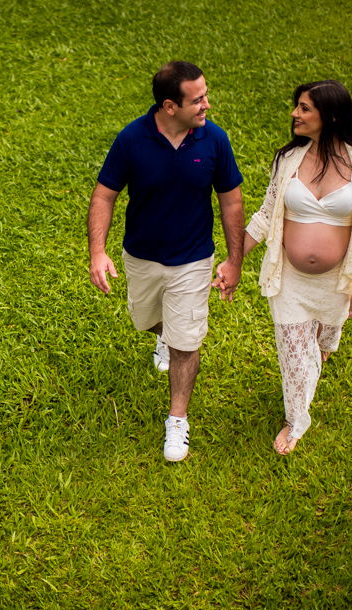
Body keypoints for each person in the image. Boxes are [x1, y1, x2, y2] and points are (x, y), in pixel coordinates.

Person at [88, 60, 245, 462]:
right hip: (141, 256)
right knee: (144, 319)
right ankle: (162, 333)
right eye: (198, 99)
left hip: (193, 259)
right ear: (170, 106)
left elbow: (232, 201)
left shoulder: (214, 141)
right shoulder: (132, 139)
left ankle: (177, 420)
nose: (207, 104)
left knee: (185, 342)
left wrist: (234, 259)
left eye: (205, 94)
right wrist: (98, 252)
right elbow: (105, 195)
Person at [215, 79, 352, 455]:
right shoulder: (288, 159)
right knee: (293, 353)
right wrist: (233, 259)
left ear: (331, 115)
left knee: (320, 344)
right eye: (297, 106)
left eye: (305, 108)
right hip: (289, 280)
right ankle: (296, 420)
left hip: (337, 282)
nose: (295, 114)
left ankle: (320, 349)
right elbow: (263, 217)